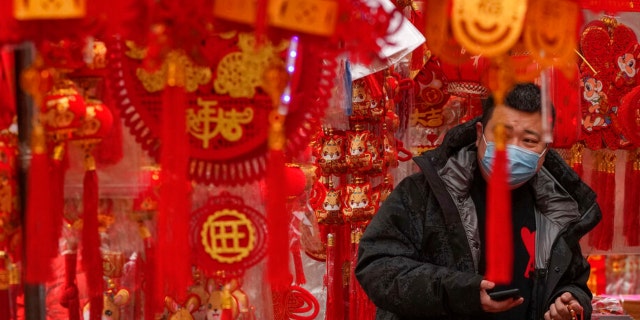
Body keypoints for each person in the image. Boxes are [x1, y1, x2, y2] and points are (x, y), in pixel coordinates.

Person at [355, 83, 602, 320]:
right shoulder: (423, 194)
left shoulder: (557, 211)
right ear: (479, 134)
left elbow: (572, 281)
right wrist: (461, 292)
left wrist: (568, 301)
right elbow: (377, 267)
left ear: (545, 150)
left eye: (528, 140)